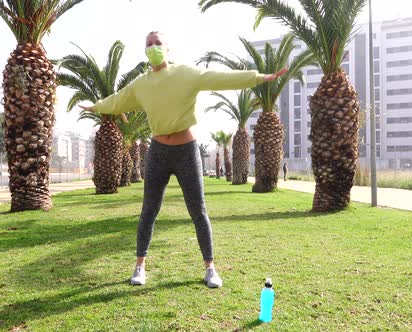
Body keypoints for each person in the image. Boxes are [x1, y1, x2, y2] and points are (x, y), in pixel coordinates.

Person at [79, 31, 288, 288]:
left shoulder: (185, 74)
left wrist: (259, 77)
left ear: (168, 48)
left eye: (158, 43)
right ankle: (139, 267)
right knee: (149, 211)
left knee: (198, 210)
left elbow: (221, 78)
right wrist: (95, 106)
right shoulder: (141, 84)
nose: (154, 47)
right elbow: (117, 100)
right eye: (149, 44)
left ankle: (210, 269)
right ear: (145, 51)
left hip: (186, 151)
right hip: (157, 152)